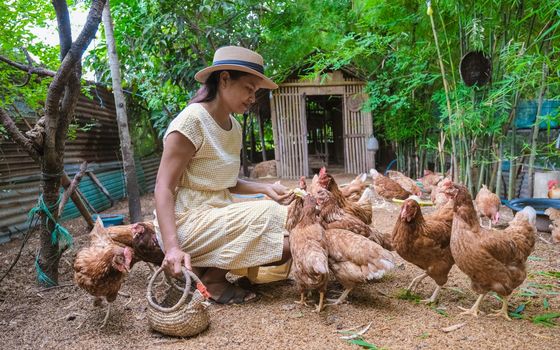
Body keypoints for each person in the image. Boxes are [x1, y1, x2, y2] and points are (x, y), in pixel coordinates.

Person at [154, 46, 294, 304]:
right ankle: (214, 281)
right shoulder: (192, 121)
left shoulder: (235, 127)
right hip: (187, 221)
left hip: (217, 215)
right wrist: (173, 247)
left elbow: (225, 182)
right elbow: (163, 187)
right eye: (249, 89)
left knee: (286, 247)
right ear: (225, 79)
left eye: (256, 92)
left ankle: (207, 272)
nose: (253, 98)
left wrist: (264, 189)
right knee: (272, 214)